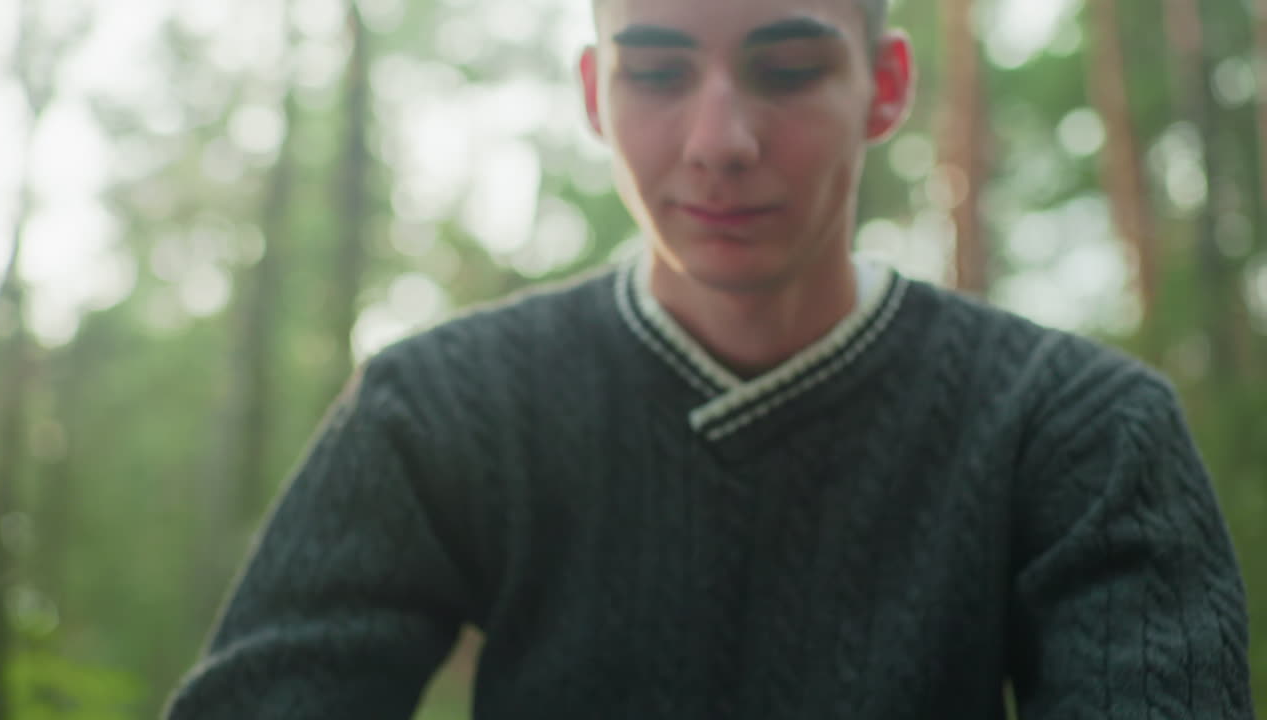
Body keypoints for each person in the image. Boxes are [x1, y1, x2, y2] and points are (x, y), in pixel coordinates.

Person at [165, 0, 1255, 717]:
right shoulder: (441, 410)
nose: (718, 139)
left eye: (784, 71)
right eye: (656, 75)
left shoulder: (1077, 429)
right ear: (594, 94)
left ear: (883, 88)